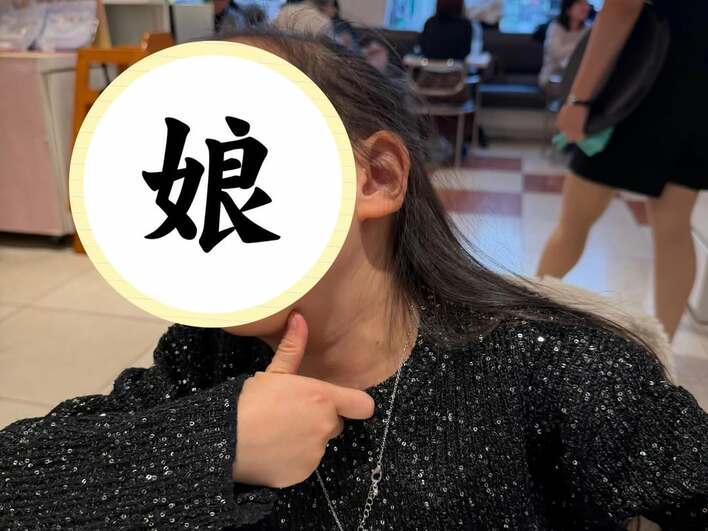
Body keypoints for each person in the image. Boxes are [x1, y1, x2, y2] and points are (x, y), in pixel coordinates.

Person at [1, 28, 707, 530]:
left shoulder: (556, 368)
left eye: (234, 162)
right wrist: (216, 442)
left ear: (377, 177)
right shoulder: (202, 360)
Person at [537, 0, 708, 341]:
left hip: (642, 77)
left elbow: (621, 8)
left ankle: (528, 322)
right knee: (674, 225)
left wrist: (578, 101)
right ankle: (662, 350)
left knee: (574, 220)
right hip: (699, 86)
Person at [538, 0, 592, 92]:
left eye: (586, 4)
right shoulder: (555, 27)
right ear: (568, 9)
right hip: (553, 77)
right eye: (580, 4)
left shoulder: (587, 30)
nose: (586, 8)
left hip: (578, 78)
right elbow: (556, 54)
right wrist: (580, 45)